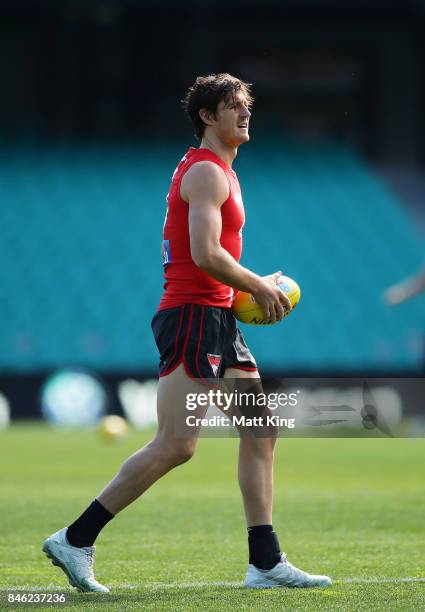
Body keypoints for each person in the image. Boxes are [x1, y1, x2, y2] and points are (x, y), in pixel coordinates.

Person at [42, 73, 331, 592]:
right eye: (233, 107)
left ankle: (265, 562)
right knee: (177, 445)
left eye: (247, 106)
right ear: (207, 116)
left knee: (260, 431)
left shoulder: (219, 171)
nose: (245, 114)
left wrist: (248, 283)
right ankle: (75, 539)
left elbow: (200, 254)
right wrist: (257, 288)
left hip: (216, 314)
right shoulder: (205, 173)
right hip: (194, 316)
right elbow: (204, 254)